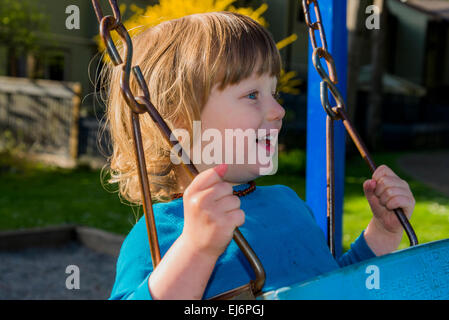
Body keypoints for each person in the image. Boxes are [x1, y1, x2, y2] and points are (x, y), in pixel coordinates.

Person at [102, 11, 415, 300]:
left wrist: (383, 232)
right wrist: (196, 250)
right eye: (252, 95)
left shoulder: (288, 203)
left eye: (274, 93)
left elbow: (333, 286)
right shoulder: (161, 233)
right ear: (178, 122)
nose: (278, 111)